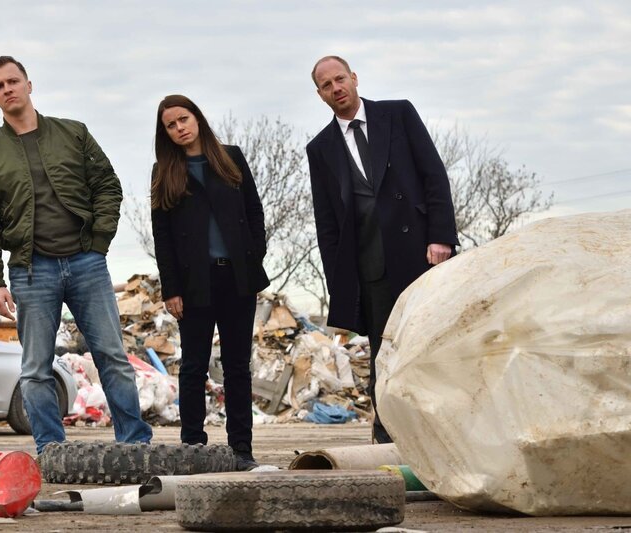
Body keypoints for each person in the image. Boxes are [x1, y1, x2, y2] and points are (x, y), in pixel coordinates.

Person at [0, 56, 152, 454]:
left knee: (112, 357)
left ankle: (135, 446)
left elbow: (107, 187)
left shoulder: (73, 133)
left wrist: (98, 241)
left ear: (29, 84)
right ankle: (51, 451)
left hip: (86, 262)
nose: (8, 89)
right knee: (35, 370)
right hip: (31, 272)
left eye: (13, 81)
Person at [306, 56, 458, 443]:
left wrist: (440, 237)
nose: (336, 87)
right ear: (320, 95)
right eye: (326, 85)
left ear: (354, 78)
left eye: (340, 78)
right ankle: (387, 435)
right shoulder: (320, 148)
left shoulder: (398, 114)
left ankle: (445, 430)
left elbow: (433, 175)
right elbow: (327, 221)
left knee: (431, 344)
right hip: (369, 265)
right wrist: (339, 279)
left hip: (421, 254)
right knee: (382, 350)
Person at [150, 95, 269, 471]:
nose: (179, 128)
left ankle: (241, 451)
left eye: (183, 119)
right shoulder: (164, 171)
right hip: (193, 283)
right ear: (165, 133)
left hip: (237, 278)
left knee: (237, 367)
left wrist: (253, 259)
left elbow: (254, 211)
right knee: (193, 367)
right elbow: (163, 236)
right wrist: (171, 289)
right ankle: (193, 448)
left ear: (197, 118)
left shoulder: (230, 157)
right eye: (171, 125)